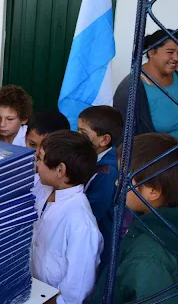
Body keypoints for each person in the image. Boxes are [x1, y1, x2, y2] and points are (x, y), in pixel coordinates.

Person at [89, 134, 178, 304]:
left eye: (125, 178)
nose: (117, 183)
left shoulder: (150, 260)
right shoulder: (167, 216)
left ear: (153, 192)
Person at [31, 130, 102, 304]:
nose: (36, 164)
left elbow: (77, 290)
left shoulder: (81, 223)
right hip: (32, 288)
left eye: (40, 159)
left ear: (60, 170)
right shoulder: (43, 188)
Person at [113, 29, 178, 148]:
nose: (176, 57)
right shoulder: (131, 88)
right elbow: (123, 142)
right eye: (170, 52)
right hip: (159, 159)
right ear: (151, 52)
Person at [77, 105, 123, 266]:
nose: (78, 137)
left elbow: (91, 213)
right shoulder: (97, 157)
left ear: (104, 140)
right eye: (77, 130)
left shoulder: (106, 173)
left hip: (102, 240)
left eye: (83, 134)